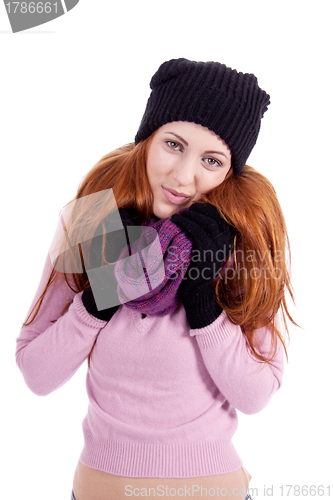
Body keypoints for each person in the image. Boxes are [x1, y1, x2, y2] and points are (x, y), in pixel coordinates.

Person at [16, 58, 297, 500]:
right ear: (146, 139)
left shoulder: (238, 243)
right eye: (173, 144)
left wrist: (204, 299)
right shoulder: (94, 221)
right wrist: (101, 297)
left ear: (229, 171)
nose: (184, 176)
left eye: (211, 159)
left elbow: (255, 394)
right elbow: (37, 374)